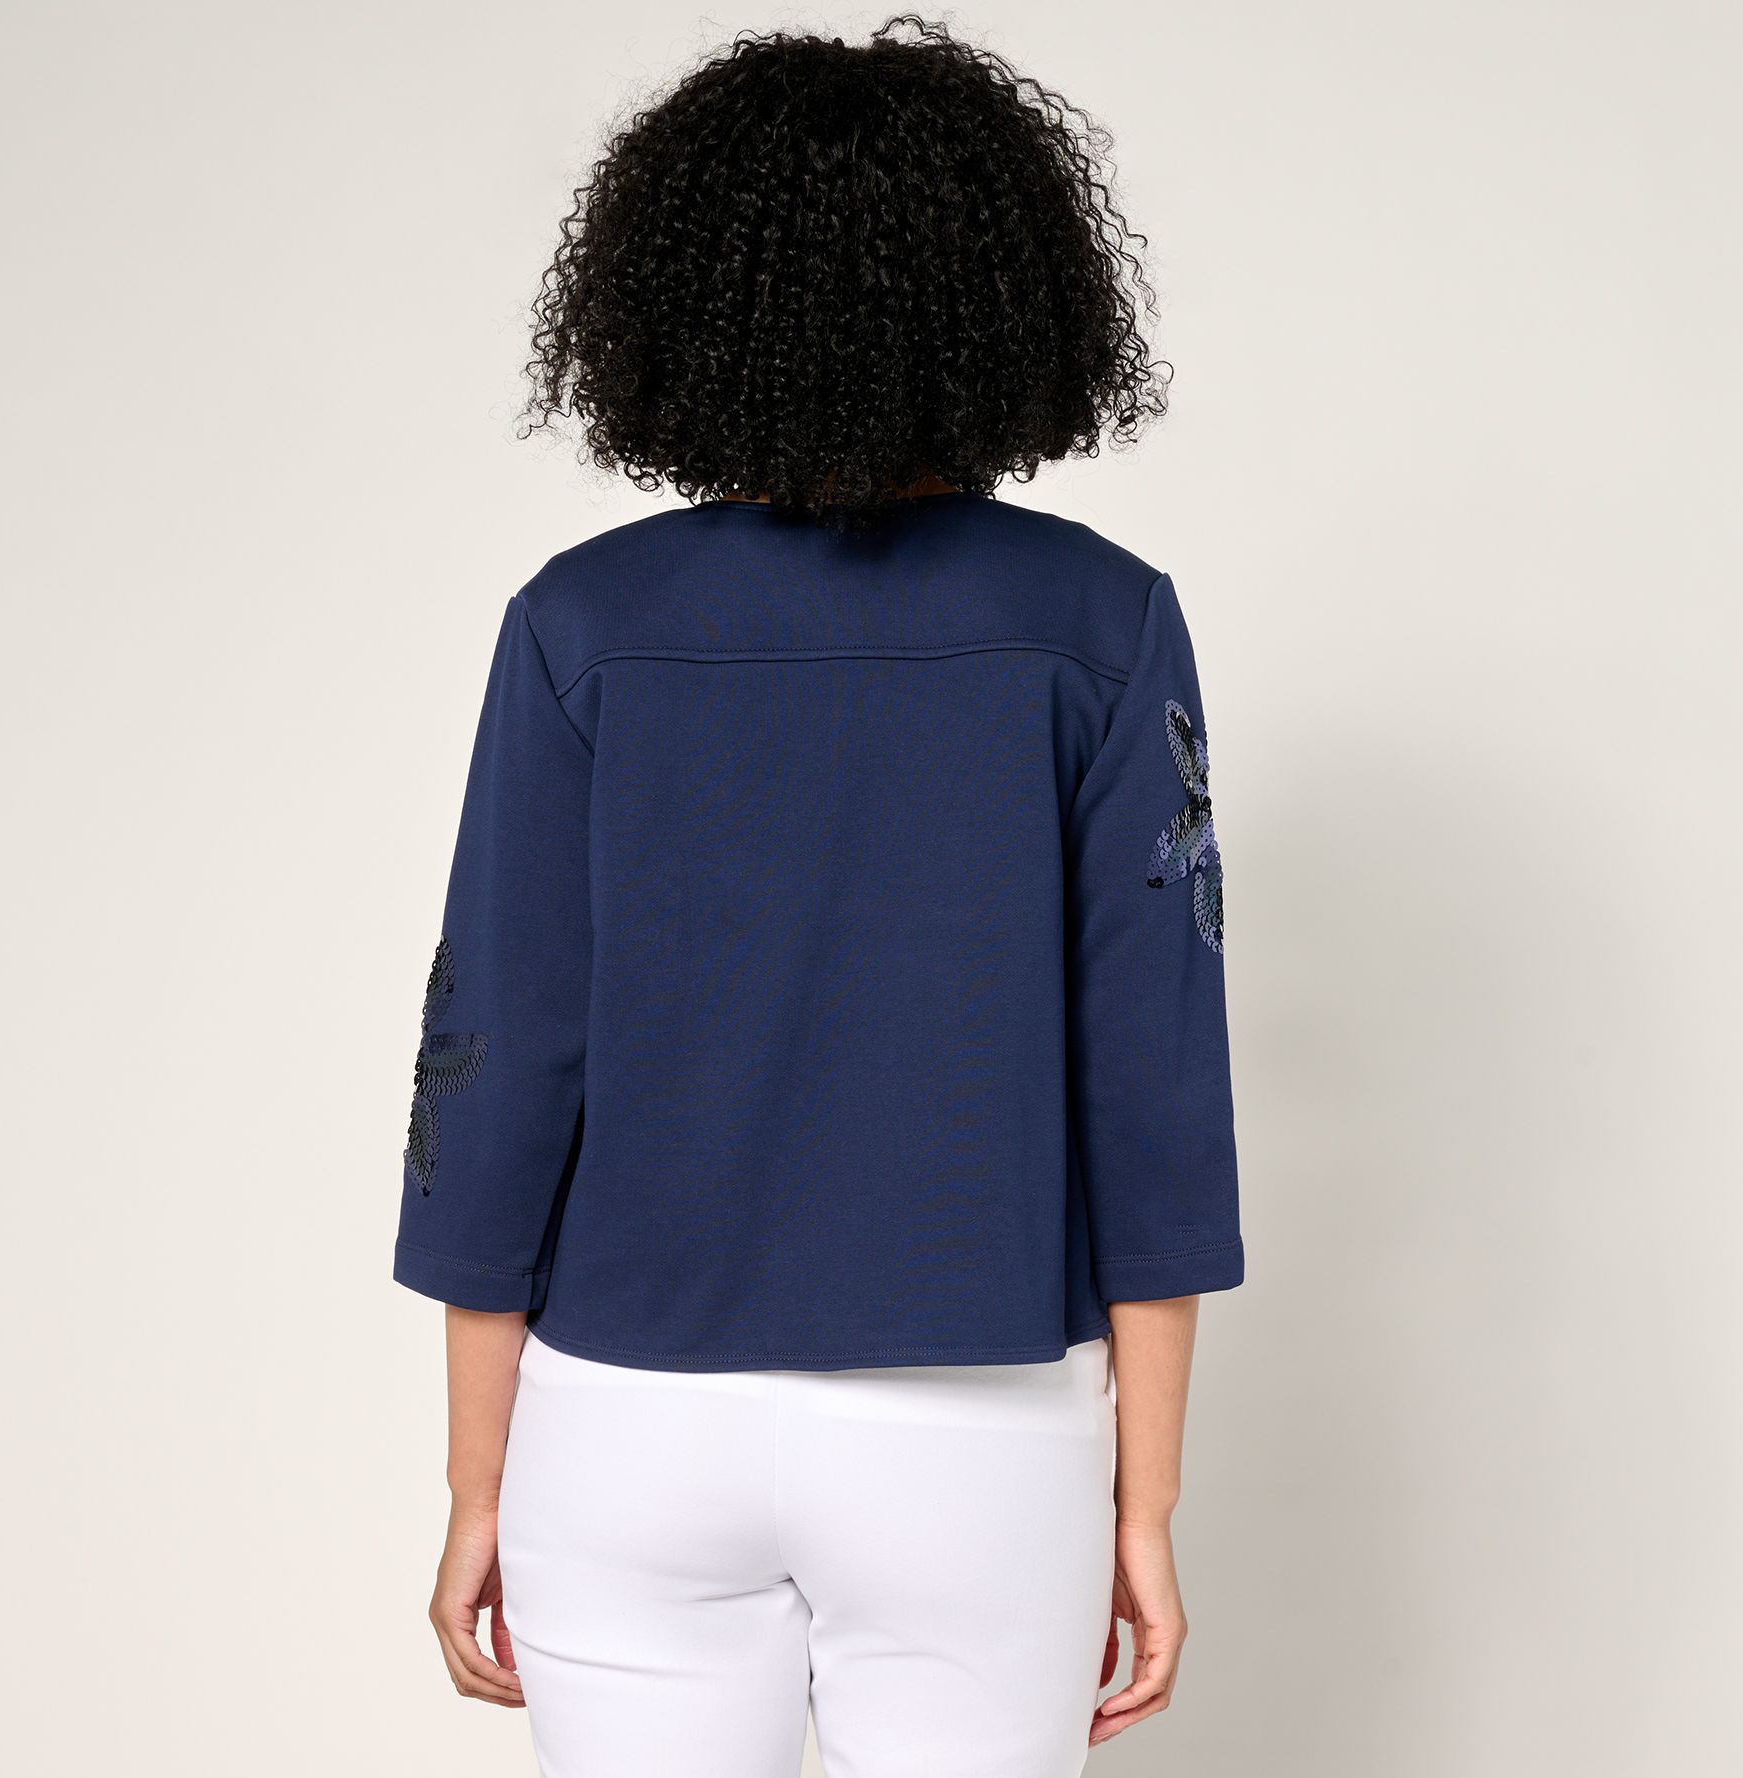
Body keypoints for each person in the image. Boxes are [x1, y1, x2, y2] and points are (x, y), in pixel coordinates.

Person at [389, 18, 1244, 1776]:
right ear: (1007, 299)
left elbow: (496, 1063)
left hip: (626, 1427)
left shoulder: (580, 626)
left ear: (680, 300)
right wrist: (1142, 1504)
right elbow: (1154, 1094)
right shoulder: (1102, 625)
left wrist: (479, 1480)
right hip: (976, 1434)